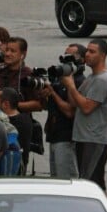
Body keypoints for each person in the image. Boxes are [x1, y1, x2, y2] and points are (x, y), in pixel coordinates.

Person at [61, 38, 107, 192]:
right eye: (87, 51)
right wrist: (69, 82)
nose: (87, 55)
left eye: (92, 52)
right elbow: (74, 102)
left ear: (103, 56)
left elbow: (86, 107)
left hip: (94, 139)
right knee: (87, 180)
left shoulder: (103, 80)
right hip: (83, 138)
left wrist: (71, 86)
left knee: (93, 184)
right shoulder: (91, 78)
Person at [42, 43, 86, 178]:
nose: (66, 60)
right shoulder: (61, 79)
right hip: (54, 135)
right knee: (55, 181)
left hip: (67, 138)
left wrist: (53, 93)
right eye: (65, 56)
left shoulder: (79, 81)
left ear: (81, 60)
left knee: (66, 181)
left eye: (71, 57)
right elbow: (47, 106)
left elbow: (70, 112)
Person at [0, 37, 43, 113]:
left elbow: (39, 105)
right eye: (7, 50)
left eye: (13, 51)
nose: (8, 54)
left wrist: (12, 105)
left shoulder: (28, 75)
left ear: (23, 54)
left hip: (19, 120)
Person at [0, 86, 32, 174]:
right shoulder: (26, 119)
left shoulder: (8, 123)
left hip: (9, 168)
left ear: (6, 104)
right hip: (22, 166)